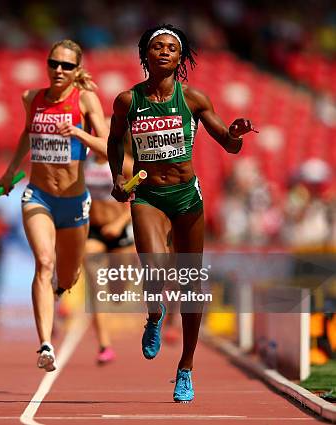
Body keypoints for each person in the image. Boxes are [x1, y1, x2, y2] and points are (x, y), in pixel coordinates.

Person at [108, 24, 257, 402]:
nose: (163, 53)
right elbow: (112, 141)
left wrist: (236, 134)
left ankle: (186, 369)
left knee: (191, 285)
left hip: (187, 197)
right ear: (145, 54)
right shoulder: (128, 101)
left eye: (171, 49)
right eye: (156, 47)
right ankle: (155, 313)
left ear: (180, 58)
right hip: (147, 196)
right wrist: (117, 178)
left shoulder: (192, 99)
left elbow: (228, 144)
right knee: (156, 265)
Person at [0, 39, 108, 372]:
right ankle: (45, 343)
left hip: (73, 200)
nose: (58, 70)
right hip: (39, 195)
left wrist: (77, 133)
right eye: (53, 63)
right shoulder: (32, 98)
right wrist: (10, 171)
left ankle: (58, 292)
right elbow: (27, 133)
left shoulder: (85, 100)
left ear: (77, 71)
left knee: (70, 275)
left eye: (67, 66)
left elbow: (104, 149)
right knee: (44, 262)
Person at [84, 147, 135, 365]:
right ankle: (104, 345)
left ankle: (117, 291)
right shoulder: (83, 163)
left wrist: (119, 222)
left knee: (117, 290)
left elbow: (144, 198)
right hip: (94, 230)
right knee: (96, 284)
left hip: (120, 229)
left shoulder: (126, 164)